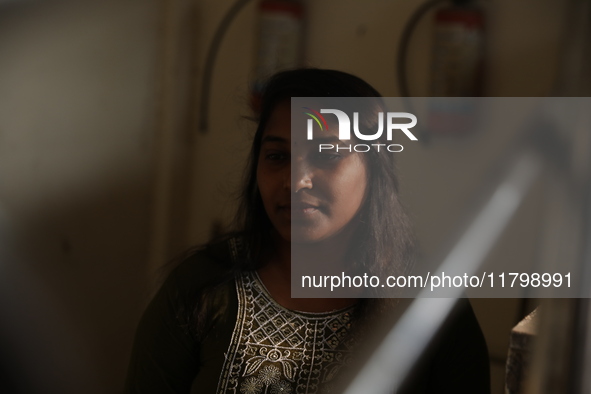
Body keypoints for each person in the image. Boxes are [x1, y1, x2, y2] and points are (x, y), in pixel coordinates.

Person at [125, 68, 490, 393]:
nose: (295, 181)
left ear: (375, 168)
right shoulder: (202, 288)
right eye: (277, 157)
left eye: (326, 153)